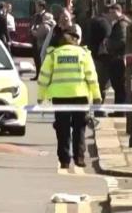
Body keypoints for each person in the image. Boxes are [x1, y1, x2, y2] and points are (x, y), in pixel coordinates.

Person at [38, 27, 101, 169]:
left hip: (60, 97)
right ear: (75, 41)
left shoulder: (53, 54)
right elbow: (92, 77)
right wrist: (97, 96)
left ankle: (64, 160)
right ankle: (79, 158)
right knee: (80, 128)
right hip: (80, 96)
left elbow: (43, 77)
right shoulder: (83, 54)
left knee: (62, 129)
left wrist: (41, 97)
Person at [102, 4, 130, 109]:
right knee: (118, 86)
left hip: (119, 59)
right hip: (119, 58)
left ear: (118, 11)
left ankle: (120, 110)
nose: (111, 15)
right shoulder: (119, 23)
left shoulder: (121, 24)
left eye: (112, 12)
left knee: (119, 85)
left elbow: (122, 41)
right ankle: (119, 109)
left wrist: (108, 43)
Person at [31, 0, 53, 77]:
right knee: (36, 58)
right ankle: (37, 74)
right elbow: (33, 24)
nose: (35, 8)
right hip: (35, 40)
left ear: (41, 7)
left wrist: (37, 32)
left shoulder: (47, 16)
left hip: (43, 40)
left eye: (37, 6)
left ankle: (42, 75)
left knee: (42, 58)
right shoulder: (35, 16)